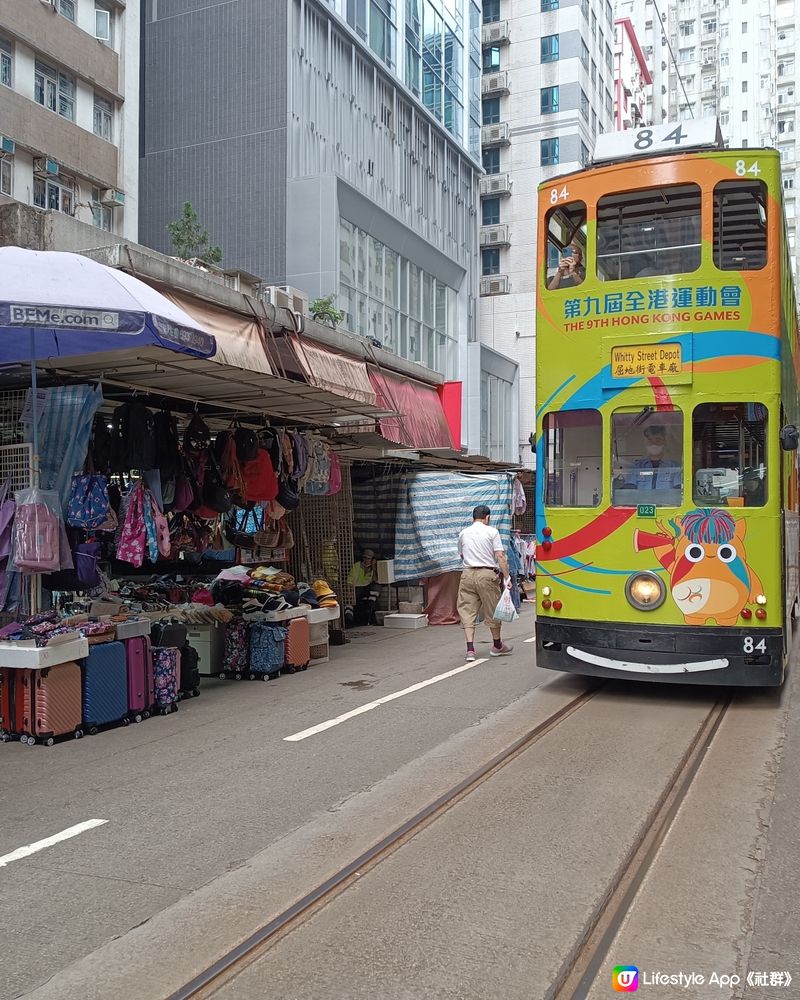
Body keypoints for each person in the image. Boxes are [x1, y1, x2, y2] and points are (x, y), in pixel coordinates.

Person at [456, 505, 513, 661]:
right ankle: (497, 645)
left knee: (467, 611)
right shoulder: (492, 532)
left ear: (473, 518)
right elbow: (500, 556)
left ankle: (470, 650)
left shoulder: (463, 533)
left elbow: (461, 555)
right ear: (488, 517)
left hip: (467, 574)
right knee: (492, 609)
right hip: (487, 574)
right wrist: (507, 578)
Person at [629, 425, 682, 491]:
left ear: (664, 442)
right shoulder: (636, 467)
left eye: (658, 440)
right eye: (650, 440)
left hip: (667, 501)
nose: (653, 444)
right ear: (645, 443)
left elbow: (677, 493)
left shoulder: (675, 467)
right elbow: (629, 492)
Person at [347, 548, 380, 624]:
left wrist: (373, 568)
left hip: (368, 587)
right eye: (364, 558)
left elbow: (375, 580)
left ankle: (369, 612)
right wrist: (349, 590)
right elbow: (349, 580)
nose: (366, 560)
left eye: (368, 558)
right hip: (357, 588)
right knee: (350, 599)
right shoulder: (357, 566)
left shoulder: (373, 568)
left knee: (376, 588)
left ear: (372, 560)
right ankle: (349, 617)